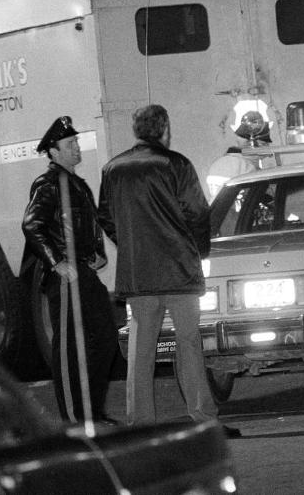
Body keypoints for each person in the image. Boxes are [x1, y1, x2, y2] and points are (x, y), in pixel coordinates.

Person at [97, 104, 240, 437]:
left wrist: (131, 245)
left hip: (138, 274)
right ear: (165, 129)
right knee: (188, 345)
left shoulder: (112, 168)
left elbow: (105, 216)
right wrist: (197, 251)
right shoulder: (176, 164)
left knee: (141, 349)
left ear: (137, 130)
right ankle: (203, 418)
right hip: (178, 271)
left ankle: (140, 424)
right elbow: (197, 213)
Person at [22, 116, 118, 423]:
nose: (77, 147)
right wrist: (56, 262)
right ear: (53, 151)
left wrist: (98, 253)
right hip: (66, 278)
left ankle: (93, 412)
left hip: (84, 272)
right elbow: (31, 225)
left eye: (76, 142)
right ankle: (76, 419)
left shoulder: (77, 184)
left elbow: (89, 223)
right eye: (70, 143)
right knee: (69, 350)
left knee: (104, 339)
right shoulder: (48, 184)